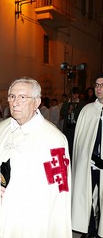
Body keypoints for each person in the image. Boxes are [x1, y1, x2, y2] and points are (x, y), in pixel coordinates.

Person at [0, 77, 72, 238]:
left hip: (29, 220)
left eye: (22, 97)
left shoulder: (54, 139)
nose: (15, 103)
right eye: (12, 97)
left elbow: (58, 192)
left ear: (37, 102)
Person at [72, 73, 103, 238]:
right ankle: (90, 229)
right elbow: (81, 139)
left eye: (102, 85)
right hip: (89, 163)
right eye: (97, 85)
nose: (99, 88)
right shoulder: (87, 110)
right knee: (87, 197)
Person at [60, 87, 85, 158]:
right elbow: (61, 113)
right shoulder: (66, 103)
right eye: (73, 94)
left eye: (76, 94)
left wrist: (73, 109)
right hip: (67, 128)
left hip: (77, 128)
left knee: (76, 145)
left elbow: (82, 114)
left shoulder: (81, 104)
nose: (75, 96)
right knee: (68, 145)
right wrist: (68, 111)